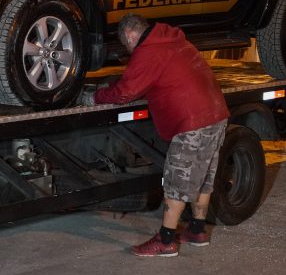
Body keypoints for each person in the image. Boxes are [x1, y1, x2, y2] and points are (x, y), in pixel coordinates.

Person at [91, 13, 229, 257]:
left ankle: (165, 240)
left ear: (130, 35)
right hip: (216, 114)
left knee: (176, 182)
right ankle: (197, 230)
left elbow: (125, 92)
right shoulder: (175, 40)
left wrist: (96, 97)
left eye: (127, 46)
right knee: (204, 176)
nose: (130, 51)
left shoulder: (148, 52)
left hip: (192, 122)